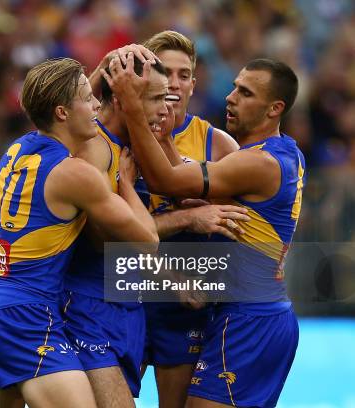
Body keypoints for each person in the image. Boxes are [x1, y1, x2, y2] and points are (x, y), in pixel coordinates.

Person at [104, 55, 303, 408]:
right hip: (255, 314)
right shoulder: (283, 152)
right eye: (234, 87)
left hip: (249, 320)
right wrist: (165, 140)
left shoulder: (259, 162)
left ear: (275, 109)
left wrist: (133, 109)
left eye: (245, 92)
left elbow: (169, 180)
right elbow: (195, 178)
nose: (231, 97)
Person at [63, 51, 249, 408]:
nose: (167, 106)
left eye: (171, 92)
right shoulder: (96, 149)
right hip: (91, 304)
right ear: (123, 97)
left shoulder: (137, 145)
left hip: (128, 304)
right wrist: (184, 228)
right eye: (155, 98)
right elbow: (106, 239)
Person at [0, 57, 159, 408]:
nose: (97, 105)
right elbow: (147, 240)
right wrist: (126, 183)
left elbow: (57, 97)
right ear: (61, 112)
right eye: (88, 99)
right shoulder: (75, 173)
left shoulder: (17, 149)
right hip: (28, 316)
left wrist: (101, 68)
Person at [139, 31, 240, 408]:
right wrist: (188, 216)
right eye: (165, 72)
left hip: (182, 302)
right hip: (118, 292)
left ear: (194, 84)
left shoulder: (218, 144)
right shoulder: (118, 137)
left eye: (183, 75)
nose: (174, 84)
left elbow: (233, 225)